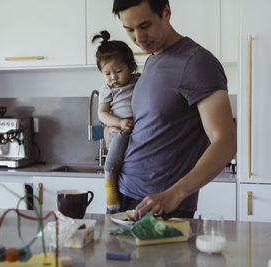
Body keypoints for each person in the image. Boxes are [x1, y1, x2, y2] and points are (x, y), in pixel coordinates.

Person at [111, 0, 237, 220]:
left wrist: (174, 194)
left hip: (162, 204)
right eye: (129, 30)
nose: (138, 39)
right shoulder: (152, 60)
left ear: (166, 12)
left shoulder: (197, 62)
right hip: (126, 193)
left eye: (145, 25)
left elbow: (225, 142)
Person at [91, 30, 140, 214]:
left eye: (119, 71)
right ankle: (110, 184)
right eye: (107, 73)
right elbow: (102, 114)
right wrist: (119, 123)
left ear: (131, 66)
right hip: (120, 129)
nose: (113, 77)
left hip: (138, 129)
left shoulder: (139, 81)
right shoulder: (107, 90)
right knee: (117, 143)